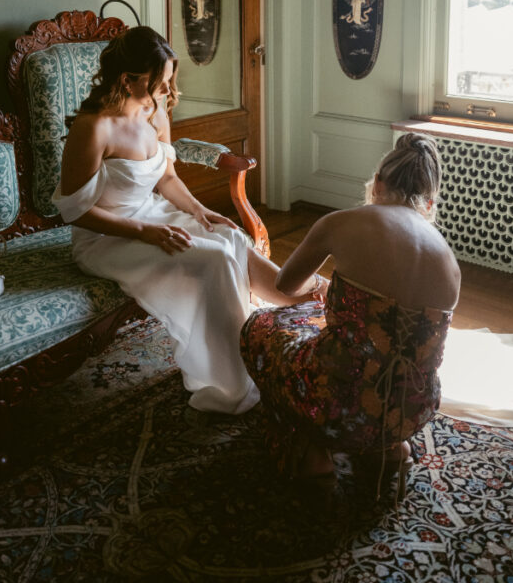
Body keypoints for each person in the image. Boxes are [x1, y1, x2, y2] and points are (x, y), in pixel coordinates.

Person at [52, 26, 326, 416]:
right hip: (106, 236)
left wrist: (201, 211)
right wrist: (149, 233)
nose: (166, 90)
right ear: (128, 79)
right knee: (212, 260)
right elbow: (75, 210)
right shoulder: (94, 127)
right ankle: (233, 382)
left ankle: (291, 304)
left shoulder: (154, 112)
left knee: (230, 237)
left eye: (168, 80)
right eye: (159, 82)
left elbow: (165, 177)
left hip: (152, 213)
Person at [240, 132, 460, 496]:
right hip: (412, 408)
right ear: (428, 201)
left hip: (336, 402)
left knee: (260, 327)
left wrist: (325, 284)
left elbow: (285, 285)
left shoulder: (340, 223)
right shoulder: (448, 260)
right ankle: (389, 447)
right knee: (381, 365)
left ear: (378, 183)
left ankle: (313, 451)